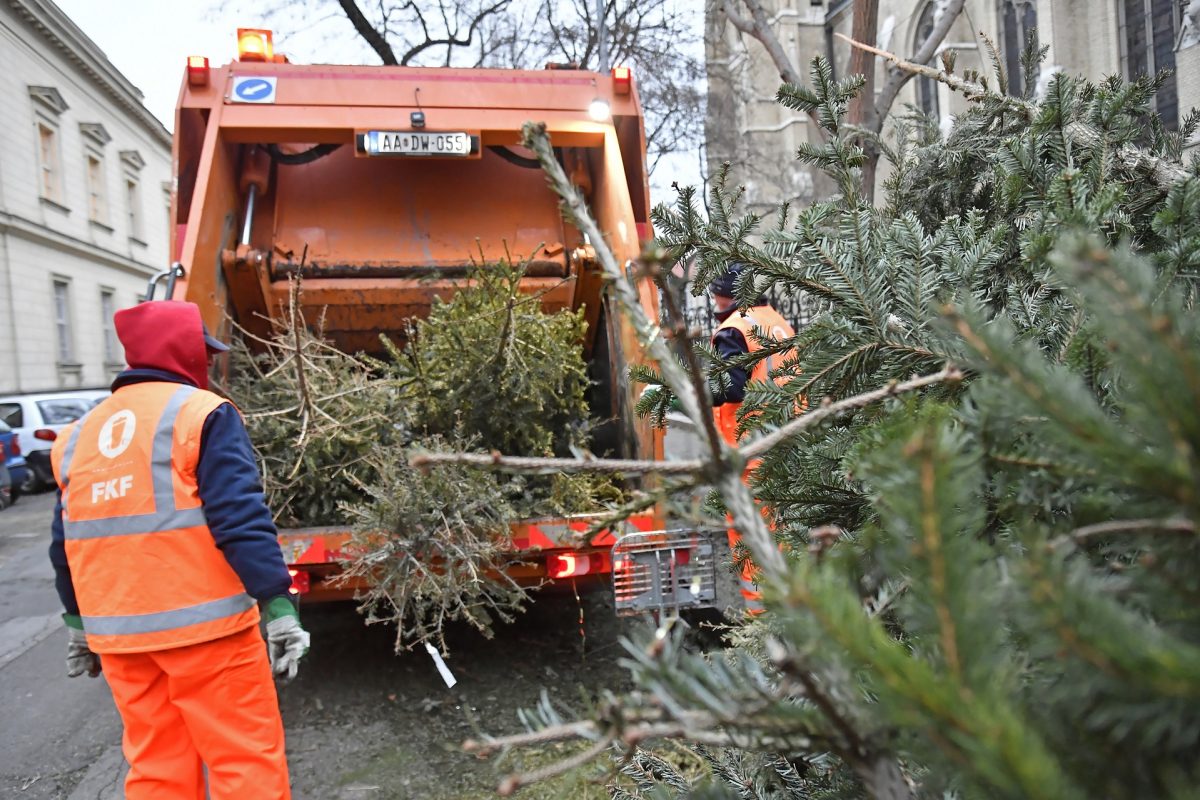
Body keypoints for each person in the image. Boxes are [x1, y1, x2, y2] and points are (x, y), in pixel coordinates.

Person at [48, 300, 309, 800]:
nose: (208, 364)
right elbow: (239, 517)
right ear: (184, 352)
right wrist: (277, 605)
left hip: (123, 639)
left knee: (156, 767)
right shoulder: (201, 413)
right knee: (243, 760)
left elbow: (65, 545)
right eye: (204, 354)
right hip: (207, 635)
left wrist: (78, 625)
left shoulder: (78, 436)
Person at [708, 263, 797, 613]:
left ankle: (764, 631)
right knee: (786, 538)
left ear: (722, 295)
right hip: (790, 446)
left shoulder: (733, 330)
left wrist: (679, 392)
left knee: (752, 544)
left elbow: (729, 388)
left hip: (752, 456)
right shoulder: (776, 321)